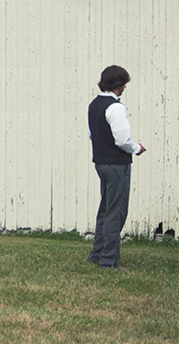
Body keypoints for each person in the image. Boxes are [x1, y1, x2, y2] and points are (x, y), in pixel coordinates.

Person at [87, 65, 145, 270]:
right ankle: (109, 260)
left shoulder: (94, 105)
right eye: (124, 84)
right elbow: (122, 140)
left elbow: (93, 135)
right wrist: (136, 148)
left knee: (105, 210)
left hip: (101, 162)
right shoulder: (116, 107)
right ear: (118, 84)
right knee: (116, 211)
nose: (125, 87)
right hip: (116, 164)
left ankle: (97, 254)